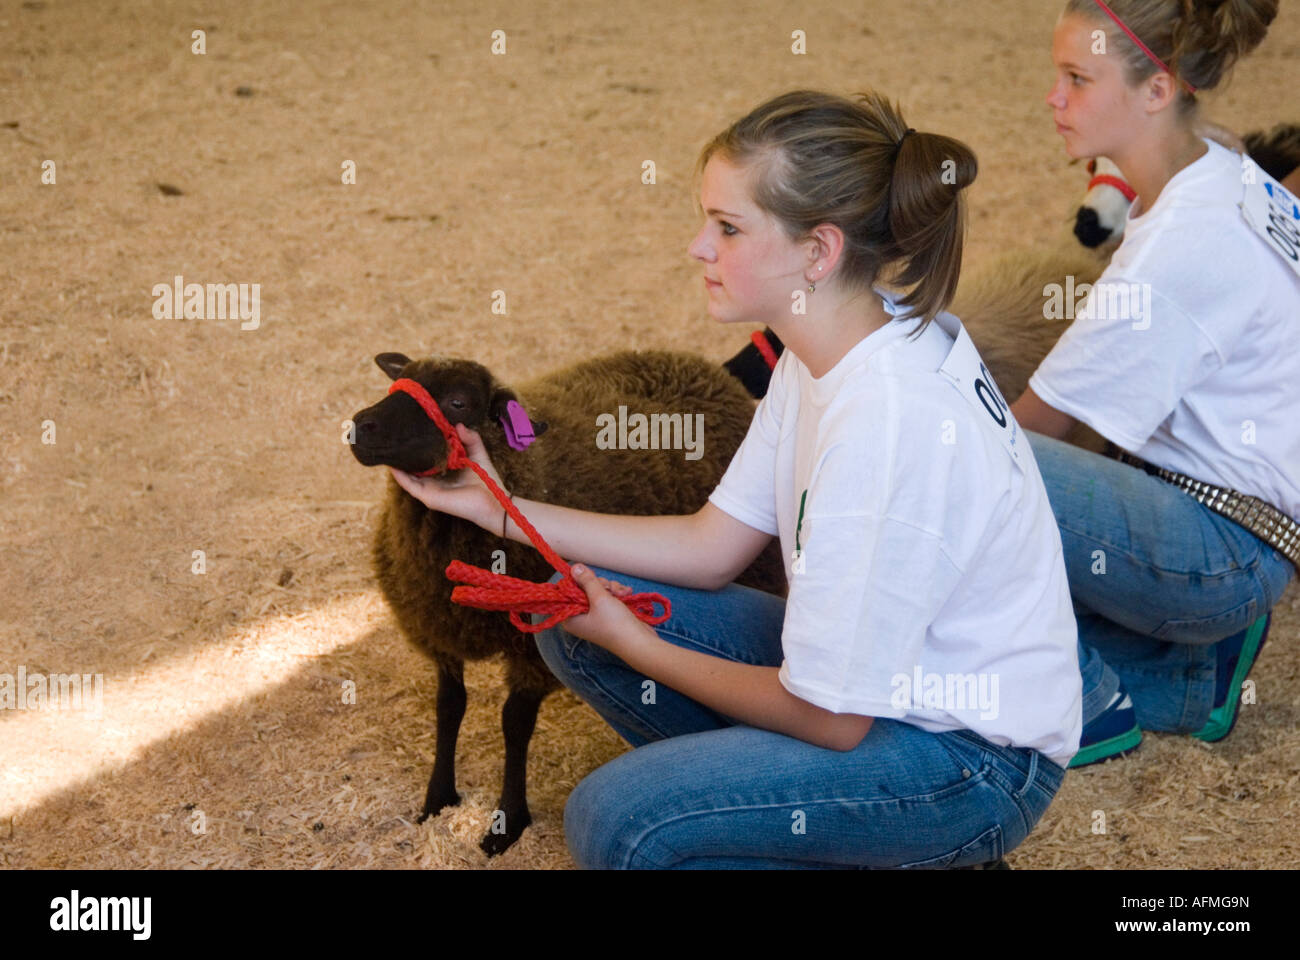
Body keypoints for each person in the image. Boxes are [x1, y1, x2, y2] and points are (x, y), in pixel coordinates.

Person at [392, 89, 1081, 869]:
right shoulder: (831, 339)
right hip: (894, 688)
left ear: (817, 252)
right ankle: (794, 817)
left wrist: (639, 644)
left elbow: (831, 721)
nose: (697, 248)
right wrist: (502, 511)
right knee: (565, 610)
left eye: (727, 228)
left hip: (972, 763)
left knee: (618, 825)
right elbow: (710, 544)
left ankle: (905, 842)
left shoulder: (885, 427)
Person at [1011, 0, 1298, 767]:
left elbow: (1027, 431)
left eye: (1077, 78)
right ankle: (1187, 678)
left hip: (1216, 551)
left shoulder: (1182, 240)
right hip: (1245, 537)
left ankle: (1084, 704)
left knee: (951, 458)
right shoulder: (1225, 175)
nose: (1054, 98)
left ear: (1156, 90)